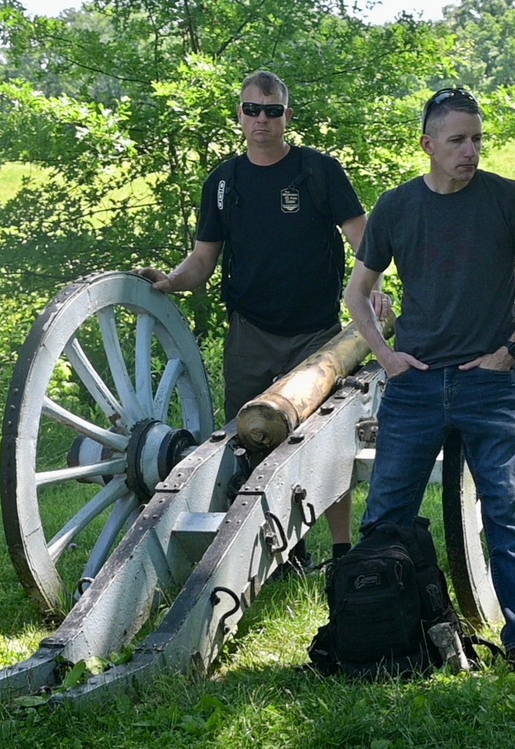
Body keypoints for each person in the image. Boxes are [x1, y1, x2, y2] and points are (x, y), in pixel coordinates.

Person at [344, 88, 515, 680]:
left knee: (507, 513)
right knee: (385, 516)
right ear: (428, 144)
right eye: (458, 140)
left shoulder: (505, 200)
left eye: (477, 140)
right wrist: (385, 356)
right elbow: (357, 293)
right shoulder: (396, 207)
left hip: (486, 385)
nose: (471, 151)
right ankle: (385, 638)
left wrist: (510, 351)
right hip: (414, 386)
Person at [136, 70, 387, 567]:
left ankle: (341, 550)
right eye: (252, 110)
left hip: (317, 336)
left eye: (272, 112)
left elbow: (365, 242)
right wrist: (169, 281)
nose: (262, 121)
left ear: (287, 117)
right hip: (250, 332)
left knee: (328, 445)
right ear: (240, 116)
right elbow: (202, 262)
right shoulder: (224, 182)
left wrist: (373, 292)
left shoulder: (318, 172)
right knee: (249, 442)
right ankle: (273, 552)